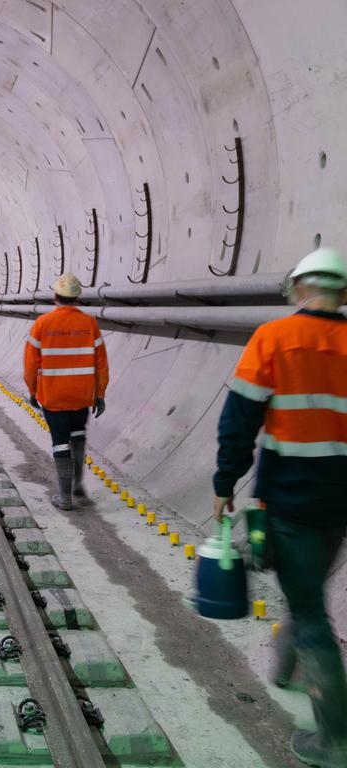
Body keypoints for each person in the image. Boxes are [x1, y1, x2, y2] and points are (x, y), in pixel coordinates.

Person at [213, 247, 347, 768]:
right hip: (339, 502)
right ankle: (285, 669)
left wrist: (225, 481)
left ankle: (334, 739)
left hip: (291, 499)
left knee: (309, 607)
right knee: (306, 587)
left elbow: (239, 419)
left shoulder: (273, 338)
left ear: (298, 288)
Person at [23, 273, 109, 510]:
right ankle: (78, 485)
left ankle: (64, 497)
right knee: (78, 435)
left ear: (55, 297)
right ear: (77, 299)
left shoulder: (42, 324)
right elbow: (101, 363)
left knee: (60, 442)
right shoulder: (89, 323)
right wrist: (99, 394)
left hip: (54, 396)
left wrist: (33, 391)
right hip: (82, 395)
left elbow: (31, 366)